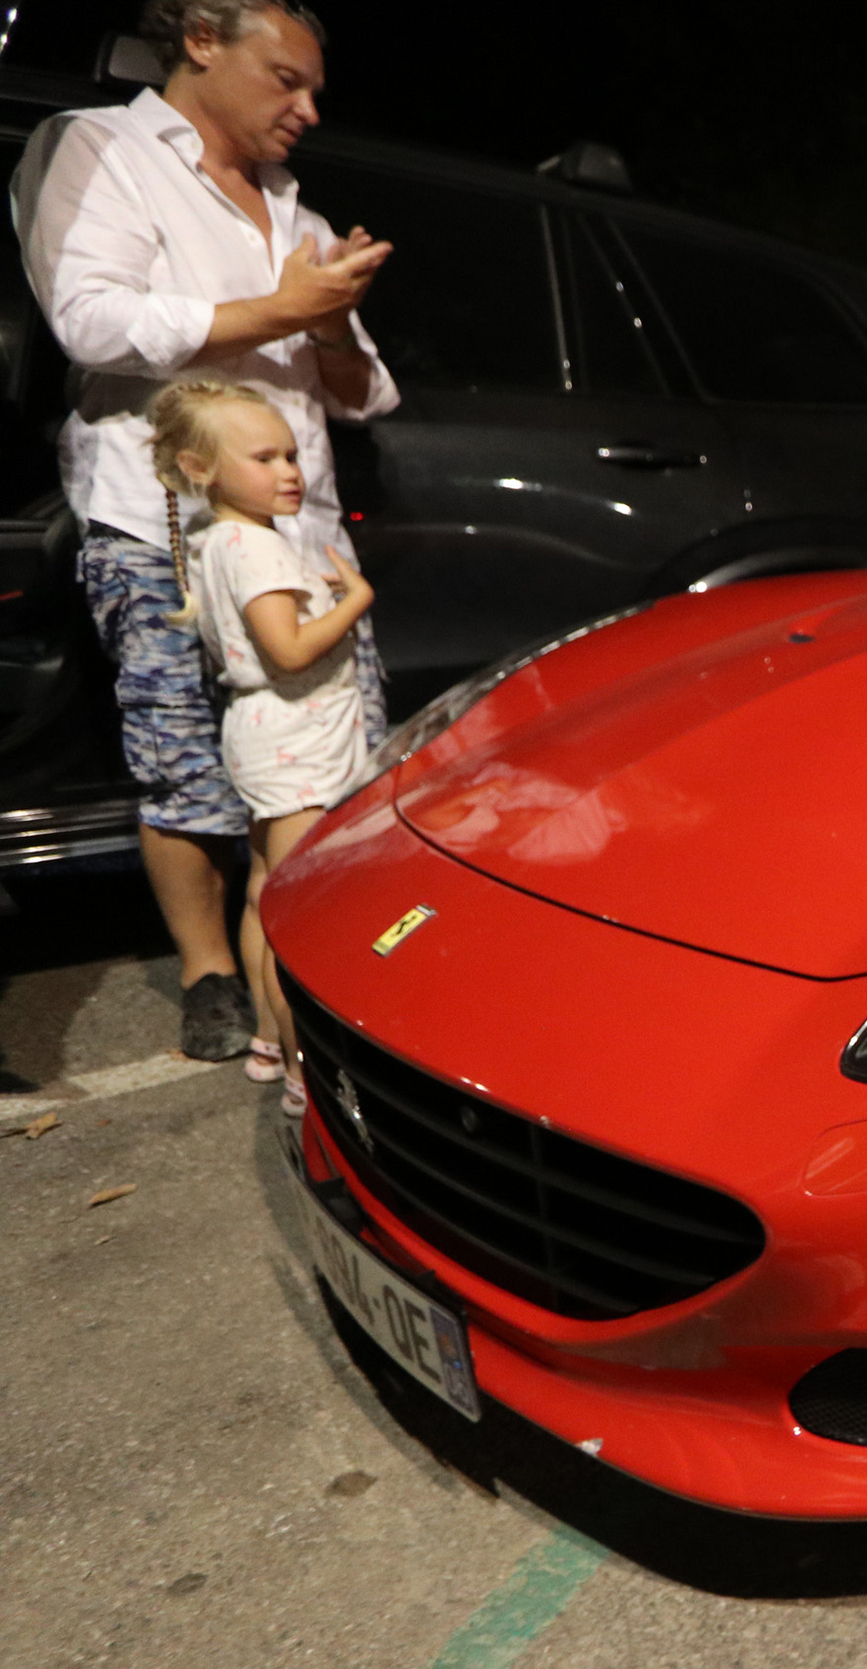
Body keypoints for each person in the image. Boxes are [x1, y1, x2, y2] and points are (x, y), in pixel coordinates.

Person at [11, 0, 396, 1063]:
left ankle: (327, 961)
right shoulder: (100, 150)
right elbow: (89, 320)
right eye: (286, 80)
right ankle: (210, 971)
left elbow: (367, 392)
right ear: (202, 43)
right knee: (182, 764)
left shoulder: (298, 217)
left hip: (302, 530)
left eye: (315, 89)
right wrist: (280, 309)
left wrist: (322, 317)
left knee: (332, 761)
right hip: (159, 527)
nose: (307, 110)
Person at [151, 377, 369, 1117]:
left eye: (292, 454)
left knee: (263, 894)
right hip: (299, 741)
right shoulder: (260, 551)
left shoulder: (218, 540)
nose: (290, 472)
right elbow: (290, 649)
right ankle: (306, 1076)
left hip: (258, 732)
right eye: (265, 458)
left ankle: (271, 1043)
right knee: (301, 912)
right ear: (200, 467)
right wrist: (355, 602)